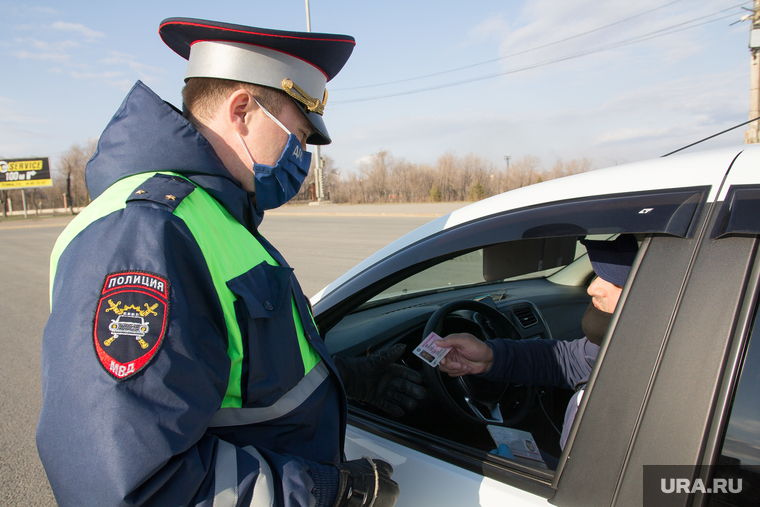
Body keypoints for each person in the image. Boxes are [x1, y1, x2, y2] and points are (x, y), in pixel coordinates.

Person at [36, 18, 423, 507]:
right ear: (242, 110)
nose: (301, 158)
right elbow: (130, 484)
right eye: (297, 136)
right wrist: (327, 492)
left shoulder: (213, 219)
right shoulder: (146, 233)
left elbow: (244, 382)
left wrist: (354, 377)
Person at [436, 234, 638, 463]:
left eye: (617, 281)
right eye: (599, 275)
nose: (593, 288)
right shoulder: (627, 347)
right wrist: (490, 358)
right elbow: (568, 360)